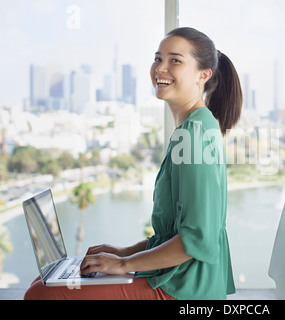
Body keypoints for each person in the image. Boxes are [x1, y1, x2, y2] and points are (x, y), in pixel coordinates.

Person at [24, 27, 243, 300]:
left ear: (203, 75)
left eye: (175, 60)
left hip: (184, 288)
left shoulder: (194, 135)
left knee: (42, 295)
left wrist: (124, 265)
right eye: (157, 58)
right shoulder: (194, 127)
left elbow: (196, 240)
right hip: (180, 276)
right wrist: (123, 252)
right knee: (43, 282)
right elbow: (174, 233)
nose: (160, 68)